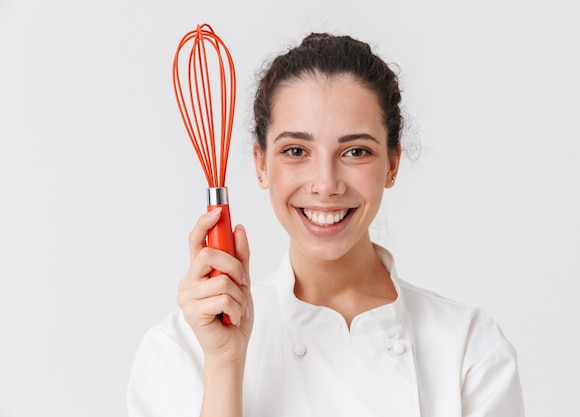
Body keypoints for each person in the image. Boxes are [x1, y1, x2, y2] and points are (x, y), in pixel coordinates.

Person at [127, 33, 525, 417]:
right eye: (296, 150)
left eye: (355, 151)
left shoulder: (469, 347)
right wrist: (224, 363)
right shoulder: (183, 348)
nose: (325, 184)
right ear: (261, 164)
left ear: (392, 163)